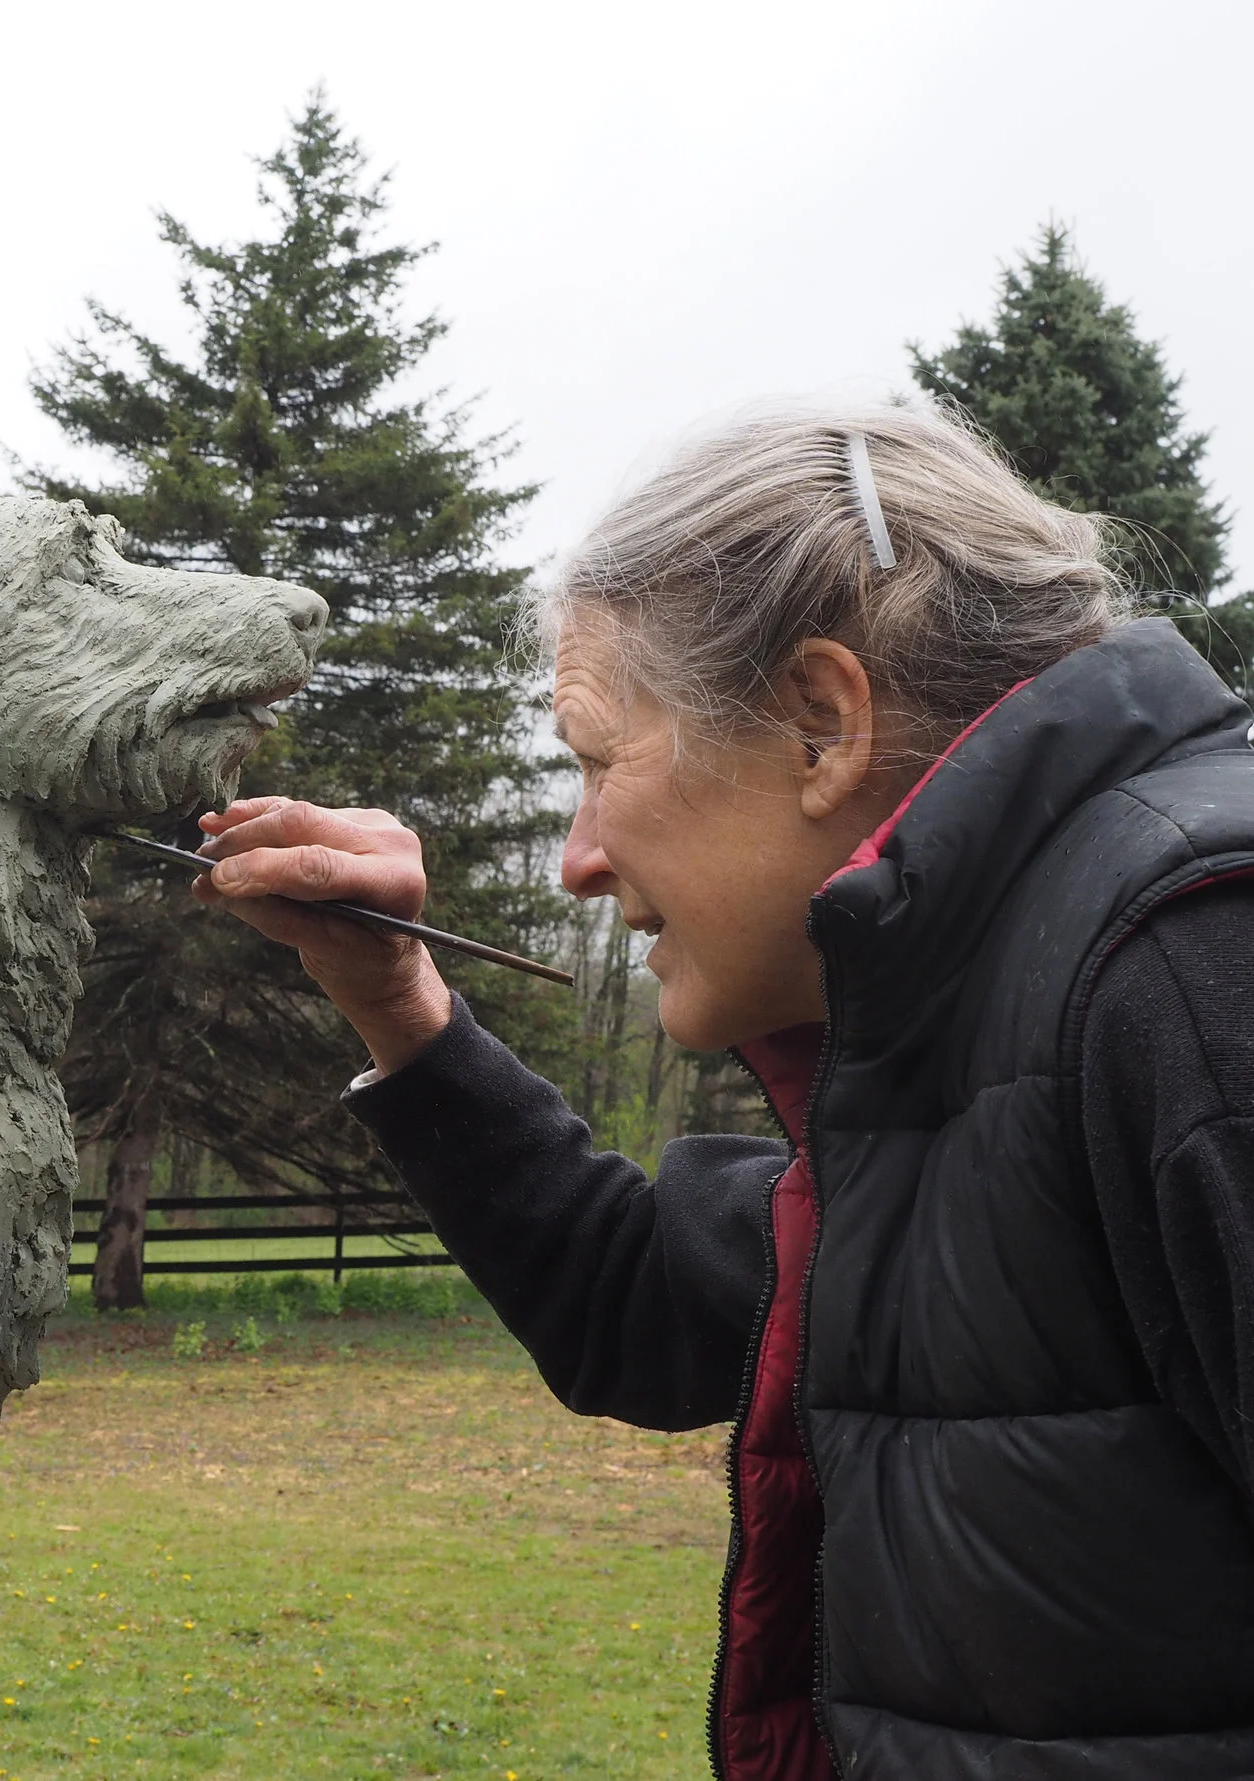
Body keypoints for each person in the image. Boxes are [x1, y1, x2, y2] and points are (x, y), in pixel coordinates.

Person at [189, 404, 1254, 1781]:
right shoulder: (984, 1017)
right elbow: (644, 1304)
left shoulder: (1193, 959)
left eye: (595, 761)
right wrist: (391, 992)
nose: (578, 859)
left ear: (820, 723)